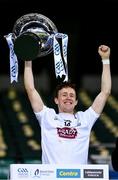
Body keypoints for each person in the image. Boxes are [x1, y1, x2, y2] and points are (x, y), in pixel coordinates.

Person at [24, 44, 111, 164]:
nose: (68, 98)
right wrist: (28, 59)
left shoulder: (85, 118)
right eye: (64, 95)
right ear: (56, 100)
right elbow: (31, 89)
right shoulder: (47, 116)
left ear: (76, 102)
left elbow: (105, 92)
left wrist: (105, 59)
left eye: (71, 95)